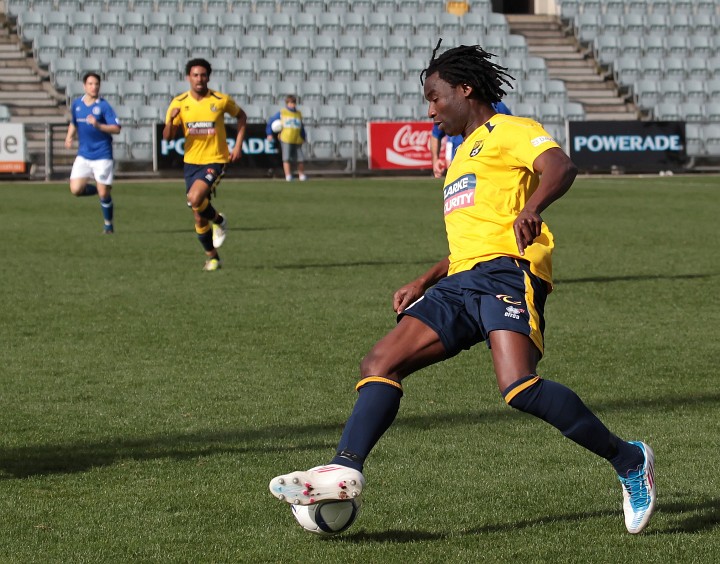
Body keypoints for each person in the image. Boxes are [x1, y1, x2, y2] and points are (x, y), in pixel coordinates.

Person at [269, 43, 656, 535]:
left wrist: (532, 207)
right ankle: (345, 468)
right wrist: (425, 278)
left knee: (519, 387)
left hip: (508, 271)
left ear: (464, 89)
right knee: (379, 363)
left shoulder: (511, 130)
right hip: (460, 281)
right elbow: (468, 241)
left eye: (434, 98)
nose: (429, 111)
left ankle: (628, 460)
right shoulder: (457, 159)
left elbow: (560, 167)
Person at [163, 58, 247, 271]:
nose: (199, 79)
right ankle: (213, 257)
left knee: (194, 198)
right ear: (188, 78)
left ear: (208, 77)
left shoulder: (220, 100)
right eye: (195, 75)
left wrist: (237, 146)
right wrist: (171, 121)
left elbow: (241, 117)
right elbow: (167, 137)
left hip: (215, 160)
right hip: (191, 163)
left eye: (203, 75)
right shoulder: (179, 102)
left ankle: (219, 222)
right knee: (198, 215)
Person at [65, 72, 121, 234]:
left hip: (102, 155)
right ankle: (101, 187)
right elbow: (74, 123)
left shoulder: (103, 106)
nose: (94, 87)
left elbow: (116, 129)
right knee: (75, 189)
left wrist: (98, 125)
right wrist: (69, 137)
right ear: (84, 86)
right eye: (90, 84)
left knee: (104, 194)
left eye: (96, 84)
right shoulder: (77, 104)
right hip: (83, 154)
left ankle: (108, 225)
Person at [430, 100, 512, 178]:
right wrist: (435, 160)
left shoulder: (496, 105)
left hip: (490, 165)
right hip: (458, 165)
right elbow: (436, 134)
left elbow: (512, 127)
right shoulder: (450, 108)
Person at [266, 95, 307, 182]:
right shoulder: (282, 112)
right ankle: (288, 175)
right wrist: (269, 133)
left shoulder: (298, 113)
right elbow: (271, 122)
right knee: (286, 158)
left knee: (300, 158)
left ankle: (301, 175)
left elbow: (301, 126)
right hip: (286, 138)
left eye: (294, 102)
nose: (293, 104)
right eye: (291, 102)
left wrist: (303, 136)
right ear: (287, 103)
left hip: (297, 138)